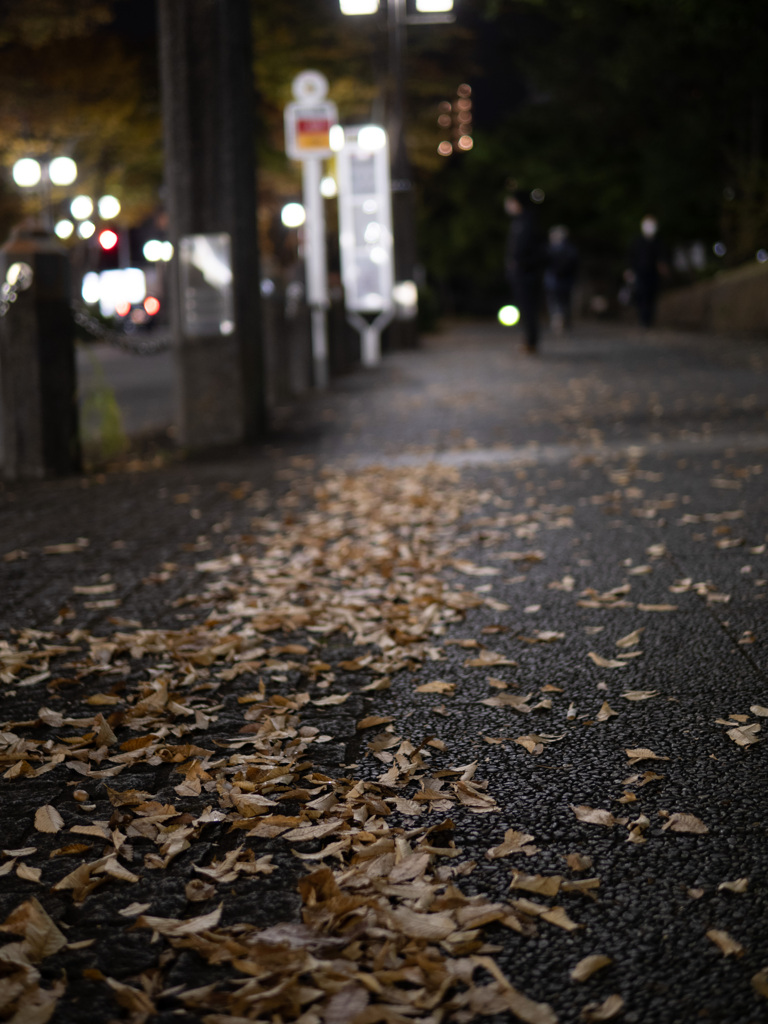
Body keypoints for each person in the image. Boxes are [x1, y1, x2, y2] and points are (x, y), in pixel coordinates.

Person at [504, 190, 546, 353]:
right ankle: (529, 339)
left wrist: (521, 265)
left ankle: (531, 341)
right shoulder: (520, 222)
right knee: (525, 308)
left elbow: (529, 250)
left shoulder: (527, 222)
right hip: (521, 273)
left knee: (529, 308)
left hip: (528, 274)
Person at [624, 215, 670, 328]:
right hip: (640, 273)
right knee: (641, 295)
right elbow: (631, 257)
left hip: (653, 274)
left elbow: (662, 258)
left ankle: (649, 320)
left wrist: (663, 267)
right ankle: (643, 320)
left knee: (652, 296)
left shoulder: (658, 242)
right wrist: (629, 270)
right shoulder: (637, 242)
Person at [544, 225, 579, 333]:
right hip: (552, 280)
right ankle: (557, 321)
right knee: (554, 300)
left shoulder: (568, 249)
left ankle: (563, 321)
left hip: (564, 279)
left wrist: (559, 271)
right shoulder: (549, 248)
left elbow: (571, 263)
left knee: (564, 301)